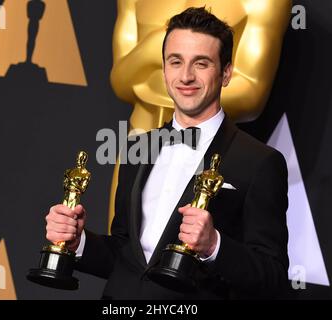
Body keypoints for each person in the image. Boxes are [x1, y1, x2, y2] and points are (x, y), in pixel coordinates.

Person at [45, 7, 289, 299]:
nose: (186, 76)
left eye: (201, 63)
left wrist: (214, 246)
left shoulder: (260, 162)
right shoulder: (137, 148)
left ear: (226, 73)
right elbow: (128, 255)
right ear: (164, 69)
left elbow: (272, 278)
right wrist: (78, 242)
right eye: (176, 61)